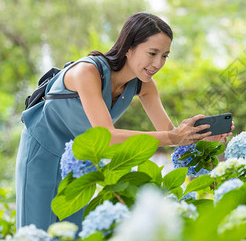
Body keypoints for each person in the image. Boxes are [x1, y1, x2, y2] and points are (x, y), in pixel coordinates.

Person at [16, 12, 234, 231]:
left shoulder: (143, 84)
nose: (158, 63)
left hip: (78, 165)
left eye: (165, 56)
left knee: (70, 233)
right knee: (34, 231)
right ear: (129, 47)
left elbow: (170, 133)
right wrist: (173, 137)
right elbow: (107, 136)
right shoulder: (86, 72)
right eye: (152, 53)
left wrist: (204, 137)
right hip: (40, 156)